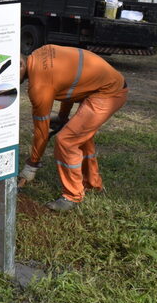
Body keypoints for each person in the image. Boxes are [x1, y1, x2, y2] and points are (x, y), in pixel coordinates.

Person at [18, 45, 128, 212]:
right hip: (109, 84)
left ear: (20, 64)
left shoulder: (38, 86)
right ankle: (91, 182)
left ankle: (72, 196)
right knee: (79, 134)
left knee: (67, 140)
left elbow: (41, 131)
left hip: (109, 93)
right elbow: (70, 85)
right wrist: (63, 117)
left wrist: (32, 164)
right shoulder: (42, 52)